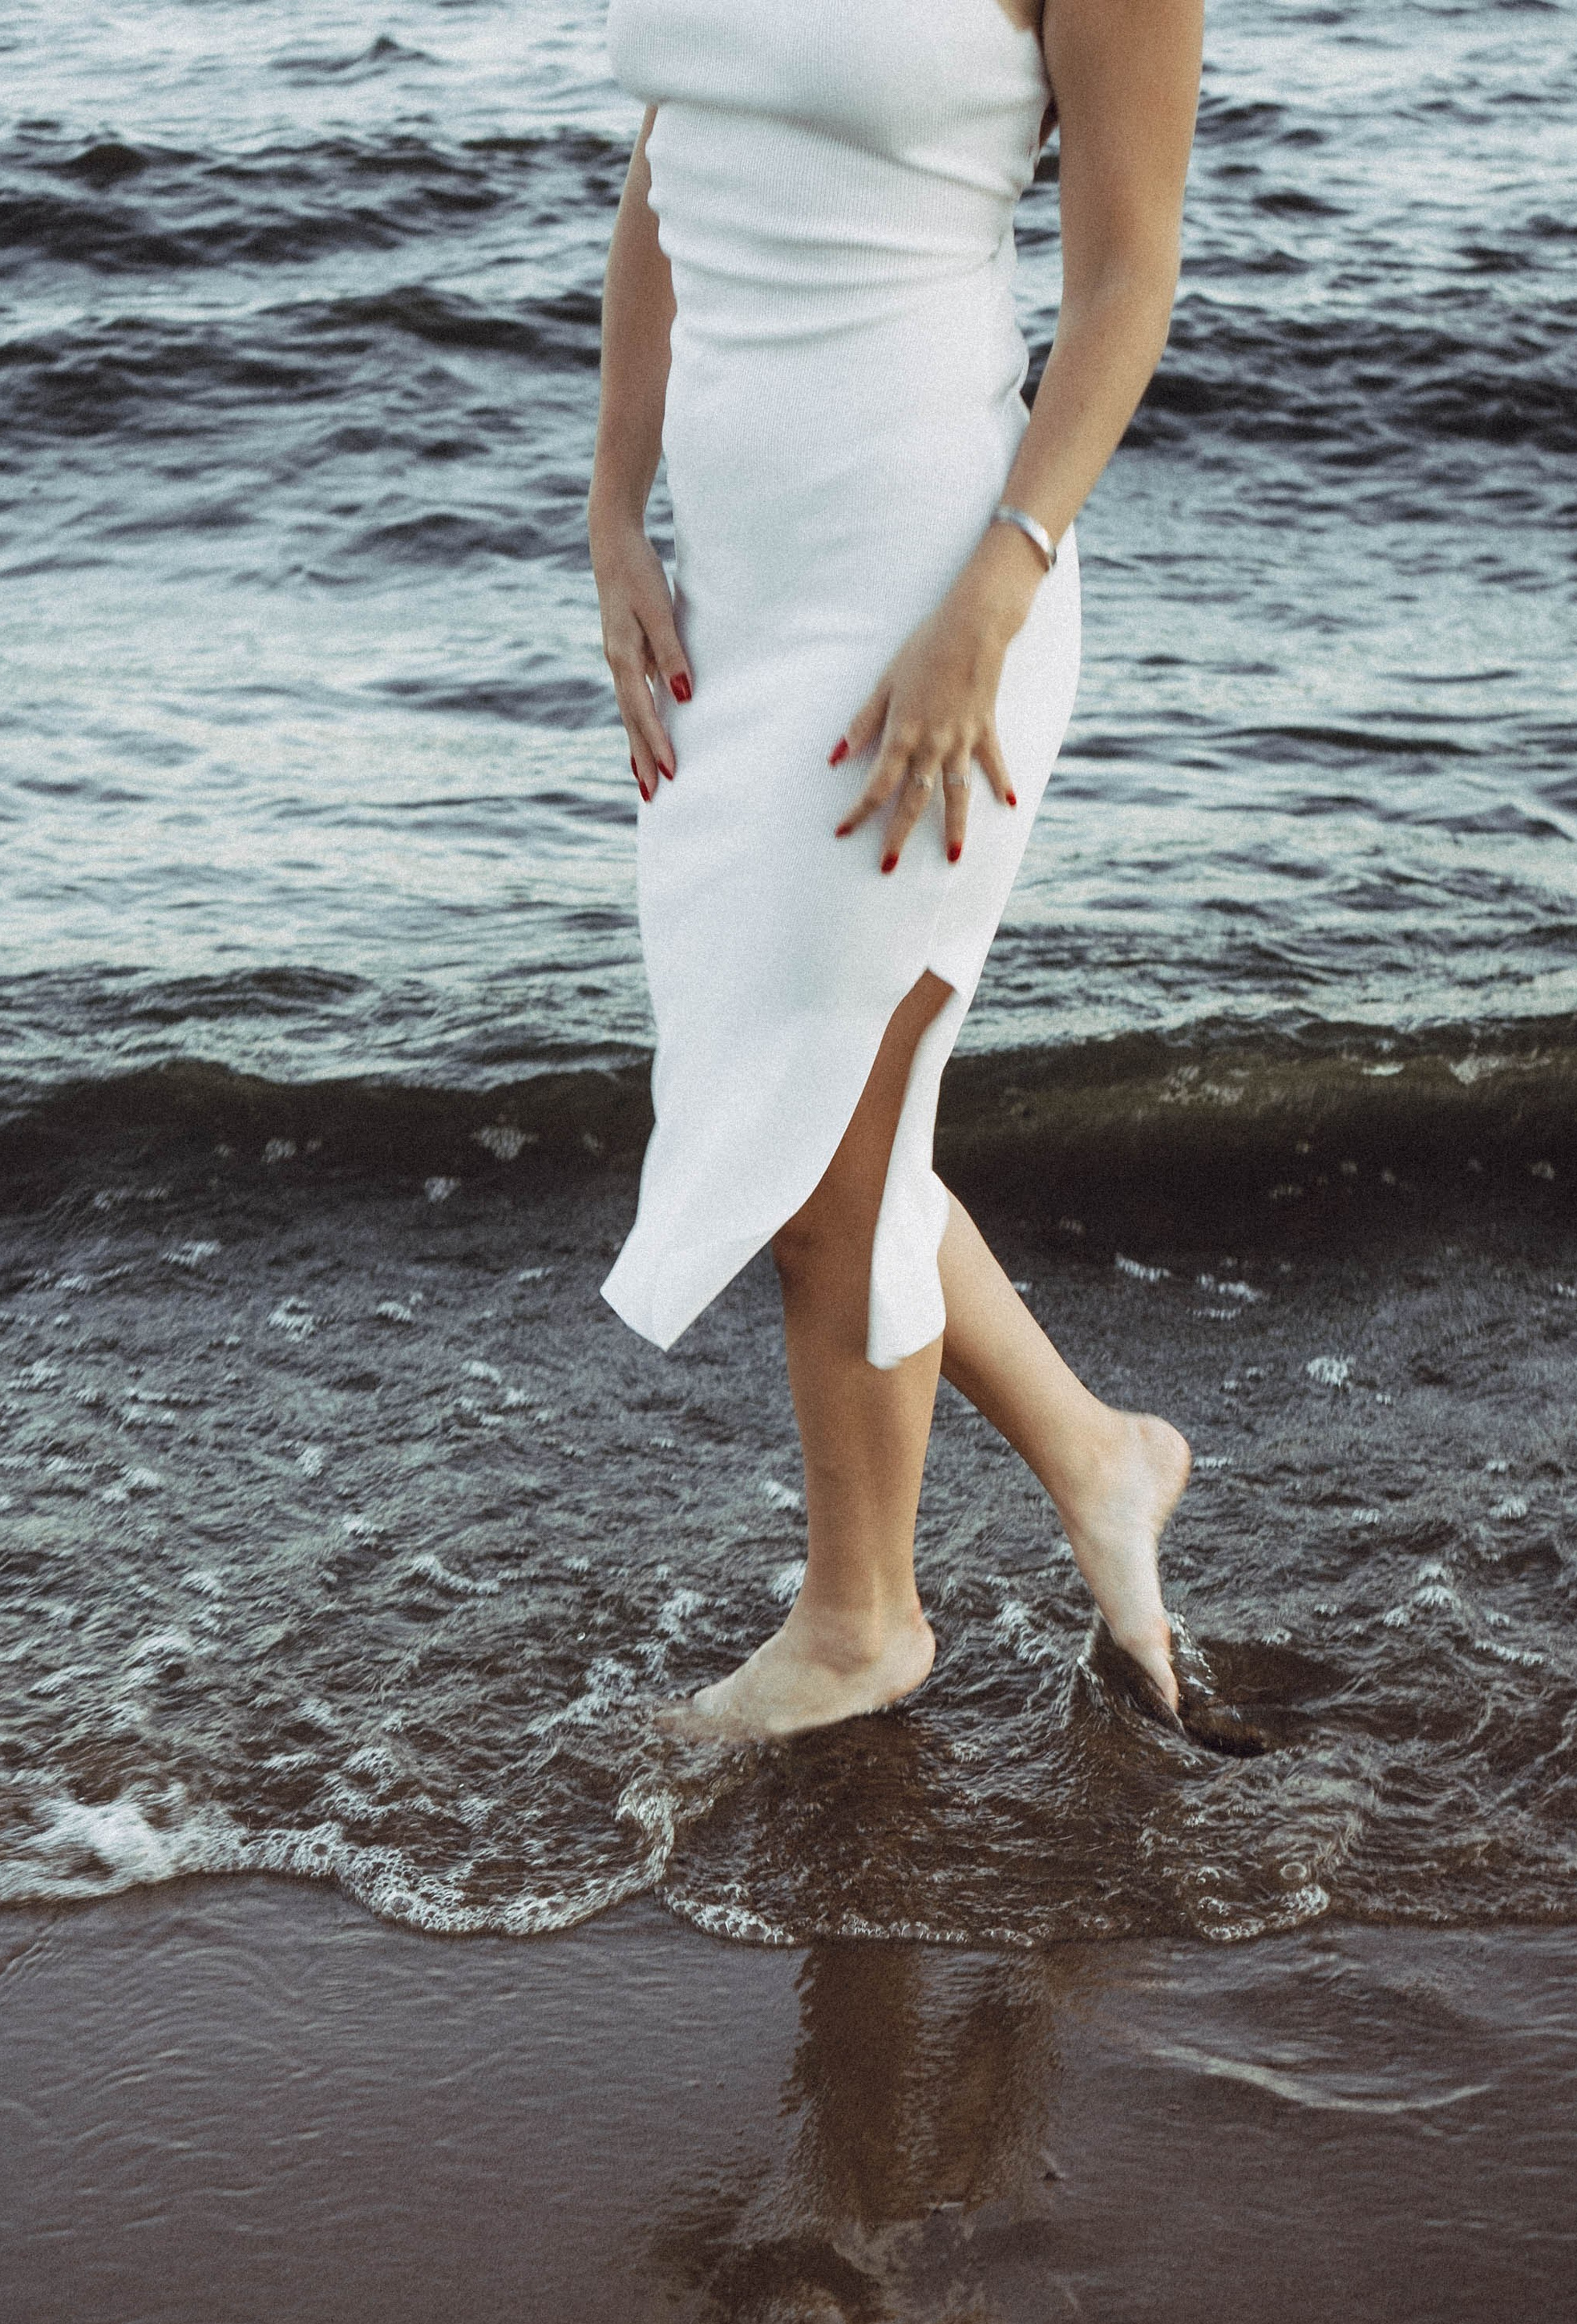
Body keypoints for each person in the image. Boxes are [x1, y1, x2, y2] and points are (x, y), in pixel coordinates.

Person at [588, 0, 1204, 1739]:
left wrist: (991, 598)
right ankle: (1100, 1458)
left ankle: (862, 1623)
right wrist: (615, 504)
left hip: (929, 601)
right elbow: (672, 157)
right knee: (828, 1120)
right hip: (735, 602)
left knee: (819, 1143)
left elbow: (1126, 281)